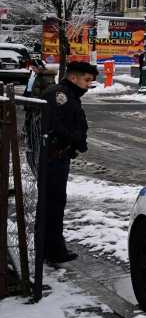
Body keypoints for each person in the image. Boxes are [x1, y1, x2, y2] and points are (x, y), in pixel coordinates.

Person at [40, 61, 97, 265]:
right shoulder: (60, 95)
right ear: (73, 77)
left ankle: (51, 248)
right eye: (87, 80)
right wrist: (75, 139)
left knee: (54, 202)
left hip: (58, 155)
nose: (89, 85)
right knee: (53, 203)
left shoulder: (68, 94)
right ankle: (52, 250)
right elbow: (54, 125)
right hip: (53, 157)